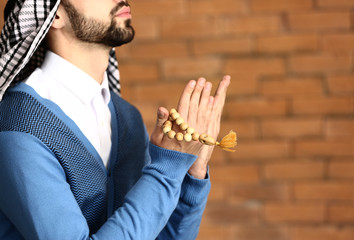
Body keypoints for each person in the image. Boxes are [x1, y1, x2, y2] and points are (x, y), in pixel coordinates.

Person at [0, 0, 230, 239]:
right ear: (56, 15)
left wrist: (192, 173)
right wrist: (165, 170)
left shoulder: (126, 117)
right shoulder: (18, 129)